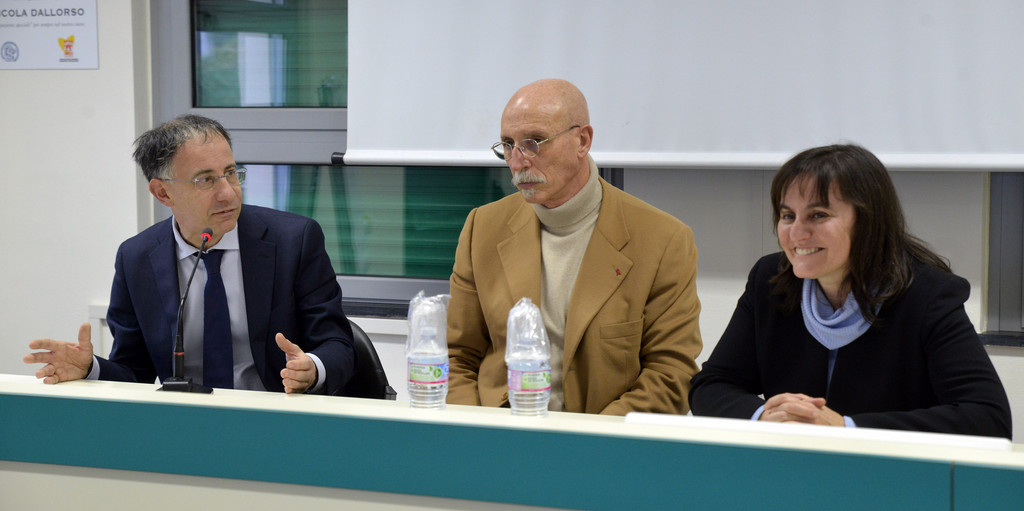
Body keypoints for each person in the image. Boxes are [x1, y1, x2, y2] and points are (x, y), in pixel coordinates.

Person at [689, 144, 1011, 438]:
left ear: (867, 221)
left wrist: (847, 428)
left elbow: (988, 418)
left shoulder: (927, 295)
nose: (797, 233)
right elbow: (711, 385)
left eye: (818, 215)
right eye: (788, 216)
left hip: (890, 474)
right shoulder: (770, 280)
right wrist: (764, 416)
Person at [24, 115, 355, 394]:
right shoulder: (136, 259)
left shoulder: (293, 241)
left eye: (231, 172)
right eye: (205, 180)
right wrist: (90, 369)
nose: (228, 193)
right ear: (163, 192)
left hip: (277, 417)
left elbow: (337, 344)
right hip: (185, 424)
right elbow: (134, 371)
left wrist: (312, 368)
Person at [446, 79, 702, 415]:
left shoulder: (662, 240)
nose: (518, 163)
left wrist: (587, 438)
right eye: (508, 145)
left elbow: (671, 375)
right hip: (501, 431)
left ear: (582, 141)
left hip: (603, 437)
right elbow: (457, 357)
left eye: (534, 143)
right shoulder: (483, 228)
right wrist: (478, 431)